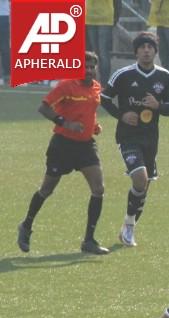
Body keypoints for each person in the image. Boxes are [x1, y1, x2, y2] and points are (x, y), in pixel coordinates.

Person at [16, 52, 109, 255]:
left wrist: (95, 126)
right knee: (47, 189)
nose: (89, 70)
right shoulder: (66, 85)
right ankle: (26, 225)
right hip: (62, 145)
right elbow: (44, 108)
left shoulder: (95, 87)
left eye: (93, 66)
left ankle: (89, 240)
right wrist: (65, 123)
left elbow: (89, 110)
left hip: (86, 146)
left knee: (98, 188)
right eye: (85, 66)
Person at [100, 32, 169, 248]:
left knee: (144, 186)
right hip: (128, 136)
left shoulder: (164, 76)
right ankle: (130, 227)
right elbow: (104, 99)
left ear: (155, 51)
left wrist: (158, 106)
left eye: (150, 47)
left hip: (151, 139)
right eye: (142, 47)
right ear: (136, 51)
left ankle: (128, 225)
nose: (146, 50)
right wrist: (121, 115)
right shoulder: (123, 75)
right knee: (140, 179)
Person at [85, 0, 115, 88]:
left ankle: (104, 84)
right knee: (96, 53)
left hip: (105, 18)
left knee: (103, 53)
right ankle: (94, 82)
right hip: (90, 17)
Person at [0, 0, 9, 87]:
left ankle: (6, 75)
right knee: (5, 47)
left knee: (5, 48)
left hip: (3, 16)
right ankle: (6, 75)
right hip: (3, 16)